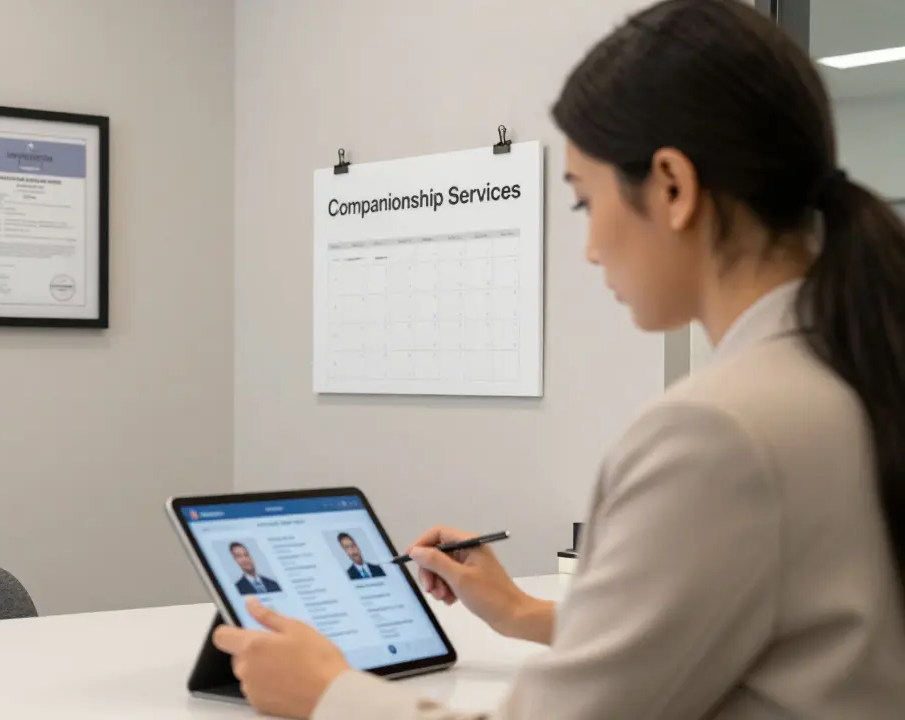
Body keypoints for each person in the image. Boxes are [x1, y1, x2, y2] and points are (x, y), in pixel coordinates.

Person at [210, 1, 905, 717]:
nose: (591, 248)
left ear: (672, 186)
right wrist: (518, 611)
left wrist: (329, 695)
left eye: (583, 203)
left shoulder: (720, 432)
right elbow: (738, 632)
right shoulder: (852, 371)